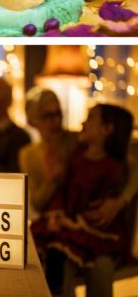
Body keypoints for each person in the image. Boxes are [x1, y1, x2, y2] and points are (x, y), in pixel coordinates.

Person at [32, 104, 134, 297]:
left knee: (66, 256)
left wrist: (77, 224)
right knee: (48, 253)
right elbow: (63, 190)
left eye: (90, 118)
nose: (83, 122)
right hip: (68, 223)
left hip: (94, 230)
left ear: (107, 129)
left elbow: (103, 213)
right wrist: (57, 215)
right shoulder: (77, 156)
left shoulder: (113, 167)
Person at [19, 88, 79, 215]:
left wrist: (120, 200)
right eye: (48, 116)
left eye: (58, 113)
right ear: (31, 122)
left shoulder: (77, 140)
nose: (56, 121)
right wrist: (51, 181)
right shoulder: (28, 154)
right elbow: (37, 204)